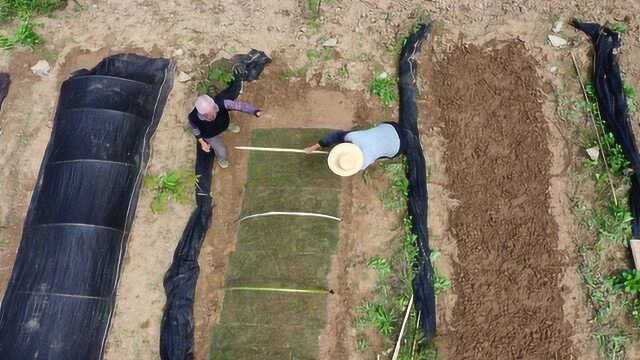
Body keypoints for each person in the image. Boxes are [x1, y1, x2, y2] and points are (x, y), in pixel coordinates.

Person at [305, 122, 407, 176]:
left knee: (380, 156)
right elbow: (336, 136)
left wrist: (314, 147)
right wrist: (315, 146)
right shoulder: (353, 136)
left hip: (399, 146)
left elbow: (335, 137)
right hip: (391, 127)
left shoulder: (363, 163)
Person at [188, 94, 262, 168]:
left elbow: (239, 105)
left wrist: (254, 111)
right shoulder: (193, 117)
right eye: (207, 114)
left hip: (224, 124)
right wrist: (202, 142)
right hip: (210, 135)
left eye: (212, 110)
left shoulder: (222, 103)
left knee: (226, 124)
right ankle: (221, 159)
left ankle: (227, 127)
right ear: (201, 113)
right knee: (222, 151)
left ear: (213, 104)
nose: (212, 114)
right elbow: (195, 129)